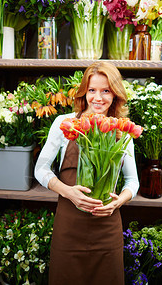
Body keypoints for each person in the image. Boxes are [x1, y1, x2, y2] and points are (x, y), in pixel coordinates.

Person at [34, 61, 140, 285]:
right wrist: (68, 192)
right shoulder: (65, 124)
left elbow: (132, 182)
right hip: (69, 226)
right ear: (84, 92)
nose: (98, 98)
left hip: (106, 227)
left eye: (105, 91)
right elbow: (40, 169)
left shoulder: (122, 129)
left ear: (115, 94)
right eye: (92, 90)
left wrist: (118, 201)